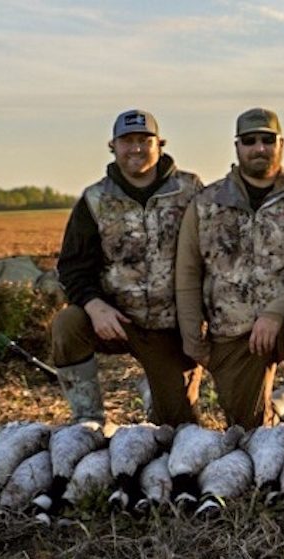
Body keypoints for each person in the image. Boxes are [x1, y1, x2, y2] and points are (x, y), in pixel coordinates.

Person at [176, 108, 284, 428]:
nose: (259, 148)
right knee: (250, 430)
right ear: (237, 147)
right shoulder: (207, 203)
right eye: (250, 141)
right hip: (233, 332)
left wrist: (275, 312)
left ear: (281, 143)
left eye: (267, 140)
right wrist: (192, 337)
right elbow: (187, 272)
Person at [50, 109, 203, 423]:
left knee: (178, 426)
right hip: (117, 320)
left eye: (143, 140)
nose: (135, 148)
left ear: (159, 144)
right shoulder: (95, 199)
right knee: (68, 324)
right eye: (126, 141)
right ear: (113, 146)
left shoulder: (190, 191)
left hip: (171, 326)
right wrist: (95, 307)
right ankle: (88, 419)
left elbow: (214, 254)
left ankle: (155, 392)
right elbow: (73, 266)